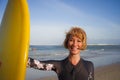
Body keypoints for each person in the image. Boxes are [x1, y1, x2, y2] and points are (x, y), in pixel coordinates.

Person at [27, 27, 94, 80]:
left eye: (78, 41)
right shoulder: (59, 66)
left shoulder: (89, 66)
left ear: (82, 44)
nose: (75, 44)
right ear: (67, 43)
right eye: (71, 40)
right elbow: (36, 64)